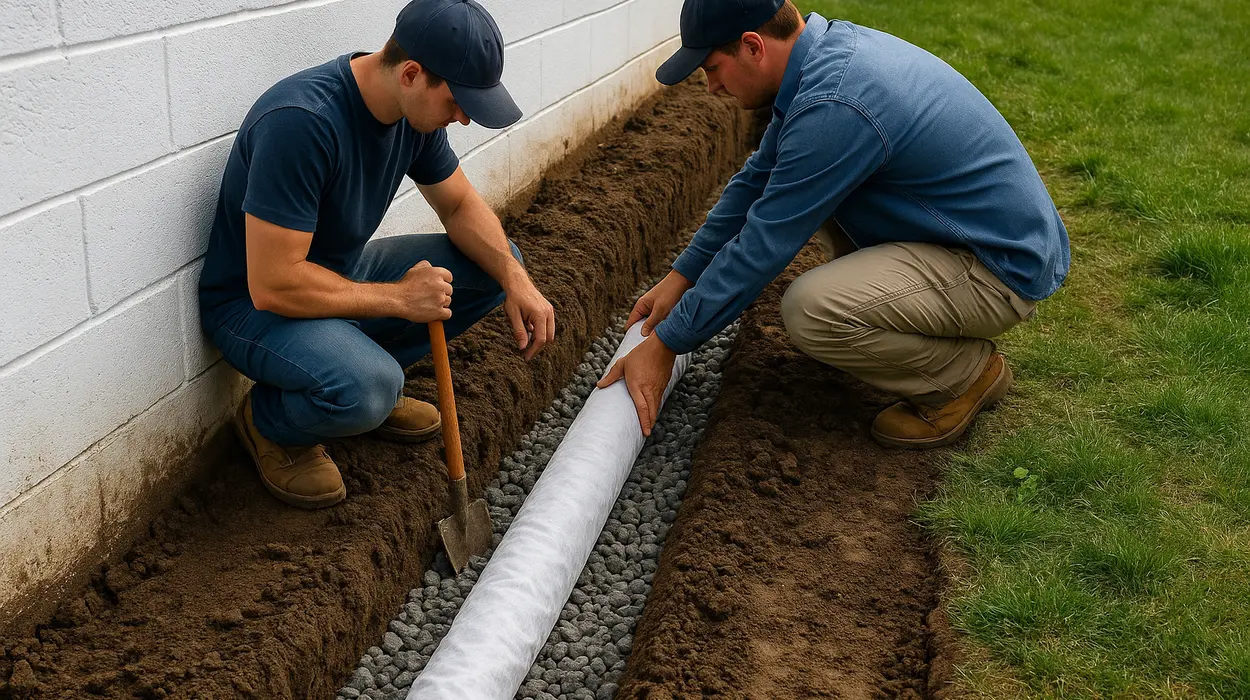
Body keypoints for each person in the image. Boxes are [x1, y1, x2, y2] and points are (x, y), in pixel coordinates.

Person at [598, 0, 1068, 450]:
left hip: (997, 267)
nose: (711, 88)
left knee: (811, 309)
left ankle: (963, 376)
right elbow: (755, 184)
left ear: (752, 46)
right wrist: (683, 276)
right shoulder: (823, 59)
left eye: (712, 69)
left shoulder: (834, 104)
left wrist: (667, 343)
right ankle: (899, 324)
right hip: (974, 234)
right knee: (804, 196)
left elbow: (764, 244)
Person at [198, 0, 555, 509]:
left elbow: (457, 204)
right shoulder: (303, 123)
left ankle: (363, 375)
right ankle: (272, 423)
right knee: (367, 389)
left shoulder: (412, 116)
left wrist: (518, 279)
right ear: (412, 74)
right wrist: (400, 300)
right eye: (458, 102)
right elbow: (274, 282)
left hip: (337, 275)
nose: (463, 119)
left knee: (496, 264)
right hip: (253, 306)